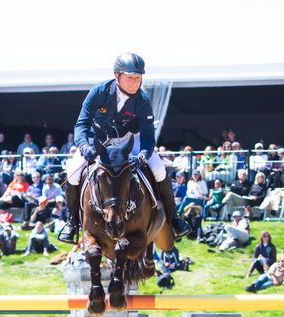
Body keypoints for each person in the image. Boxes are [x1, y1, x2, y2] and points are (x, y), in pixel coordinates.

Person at [58, 52, 191, 243]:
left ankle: (174, 218)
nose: (135, 82)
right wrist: (84, 145)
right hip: (99, 141)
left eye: (138, 78)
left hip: (131, 141)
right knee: (73, 171)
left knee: (159, 170)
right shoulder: (99, 92)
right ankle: (71, 222)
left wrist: (144, 155)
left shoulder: (142, 100)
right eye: (130, 78)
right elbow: (82, 124)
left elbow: (147, 135)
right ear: (117, 75)